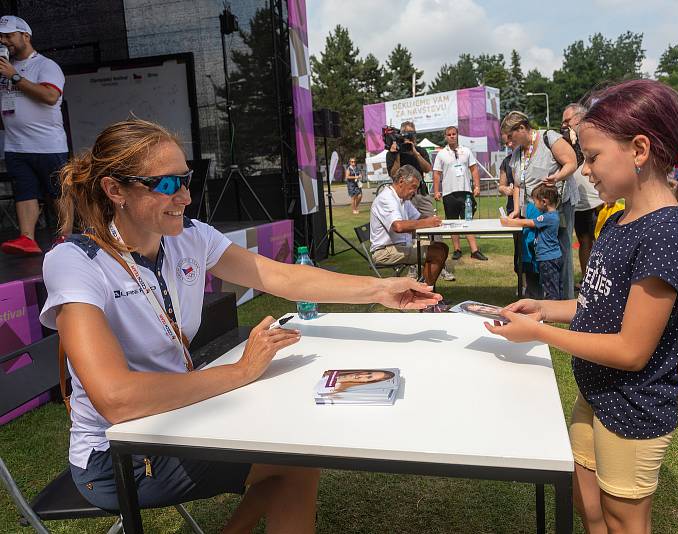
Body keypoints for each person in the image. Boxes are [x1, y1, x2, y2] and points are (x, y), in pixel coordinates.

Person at [39, 119, 441, 534]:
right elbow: (116, 400)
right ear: (115, 190)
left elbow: (281, 277)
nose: (185, 196)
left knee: (298, 449)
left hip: (179, 421)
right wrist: (241, 371)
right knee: (297, 457)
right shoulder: (76, 261)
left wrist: (379, 288)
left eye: (186, 178)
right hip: (117, 454)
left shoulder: (189, 237)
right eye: (166, 184)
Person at [487, 79, 678, 533]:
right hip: (596, 394)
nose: (585, 171)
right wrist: (546, 310)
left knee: (623, 519)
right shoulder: (620, 218)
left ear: (640, 149)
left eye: (592, 157)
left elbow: (631, 350)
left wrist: (540, 334)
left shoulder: (664, 233)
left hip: (633, 406)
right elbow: (595, 302)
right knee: (590, 508)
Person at [0, 16, 70, 255]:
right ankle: (27, 238)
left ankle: (67, 236)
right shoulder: (4, 67)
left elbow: (50, 96)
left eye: (9, 35)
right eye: (1, 36)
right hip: (15, 143)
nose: (4, 40)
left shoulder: (46, 65)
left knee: (57, 191)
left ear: (25, 36)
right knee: (25, 190)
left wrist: (15, 77)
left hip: (47, 144)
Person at [502, 111, 579, 300]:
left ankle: (565, 300)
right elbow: (518, 184)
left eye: (511, 137)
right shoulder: (518, 152)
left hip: (557, 208)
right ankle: (538, 297)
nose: (509, 143)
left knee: (561, 252)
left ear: (522, 128)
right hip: (533, 209)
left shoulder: (549, 138)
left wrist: (557, 177)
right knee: (537, 254)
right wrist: (517, 210)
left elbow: (572, 162)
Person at [370, 164, 449, 286]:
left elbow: (418, 218)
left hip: (400, 245)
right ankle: (424, 294)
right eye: (413, 187)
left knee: (442, 247)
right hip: (385, 251)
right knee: (436, 253)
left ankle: (422, 290)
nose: (415, 192)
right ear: (401, 181)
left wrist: (433, 220)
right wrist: (427, 222)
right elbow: (398, 227)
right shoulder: (386, 198)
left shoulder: (402, 198)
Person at [432, 125, 488, 261]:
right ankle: (457, 249)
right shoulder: (441, 154)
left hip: (466, 192)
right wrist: (436, 191)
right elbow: (436, 174)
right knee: (452, 222)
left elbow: (474, 169)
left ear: (457, 135)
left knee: (468, 220)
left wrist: (477, 186)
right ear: (445, 137)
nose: (452, 136)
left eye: (454, 134)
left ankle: (474, 250)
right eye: (449, 134)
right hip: (449, 193)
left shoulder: (466, 151)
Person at [563, 103, 603, 282]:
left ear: (579, 118)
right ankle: (588, 280)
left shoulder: (595, 134)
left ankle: (605, 278)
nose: (564, 125)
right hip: (580, 201)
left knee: (604, 240)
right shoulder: (567, 140)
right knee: (584, 240)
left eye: (567, 121)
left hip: (600, 197)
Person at [501, 185, 563, 300]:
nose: (534, 205)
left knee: (551, 290)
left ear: (544, 202)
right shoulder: (550, 216)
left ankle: (551, 313)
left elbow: (528, 223)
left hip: (548, 259)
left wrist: (509, 222)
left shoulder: (548, 218)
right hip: (551, 258)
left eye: (535, 202)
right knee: (554, 286)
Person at [385, 120, 433, 216]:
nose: (409, 138)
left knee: (429, 221)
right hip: (404, 195)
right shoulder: (392, 153)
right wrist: (397, 154)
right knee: (408, 225)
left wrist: (416, 154)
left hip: (421, 193)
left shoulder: (420, 151)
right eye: (406, 135)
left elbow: (427, 169)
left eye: (411, 134)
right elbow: (393, 174)